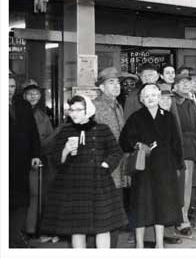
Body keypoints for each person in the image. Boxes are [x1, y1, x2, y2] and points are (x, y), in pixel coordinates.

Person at [41, 95, 127, 248]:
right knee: (77, 229)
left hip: (98, 182)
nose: (74, 113)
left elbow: (116, 152)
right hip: (73, 184)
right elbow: (55, 159)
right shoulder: (65, 130)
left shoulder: (102, 129)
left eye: (78, 110)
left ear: (88, 110)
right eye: (71, 110)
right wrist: (65, 150)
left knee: (102, 227)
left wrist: (106, 165)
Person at [119, 84, 183, 248]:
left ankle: (159, 244)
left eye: (153, 95)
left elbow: (176, 142)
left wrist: (178, 165)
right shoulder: (136, 117)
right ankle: (139, 245)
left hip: (164, 167)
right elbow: (125, 140)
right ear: (141, 100)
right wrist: (138, 144)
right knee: (141, 206)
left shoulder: (168, 116)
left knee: (161, 205)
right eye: (146, 96)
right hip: (143, 168)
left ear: (159, 96)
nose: (150, 98)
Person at [93, 67, 129, 247]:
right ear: (101, 87)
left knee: (114, 215)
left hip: (118, 168)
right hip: (104, 169)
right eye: (111, 82)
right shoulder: (95, 106)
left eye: (118, 82)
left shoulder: (118, 106)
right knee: (102, 217)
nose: (116, 86)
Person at [9, 75, 41, 248]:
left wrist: (36, 154)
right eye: (6, 86)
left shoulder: (23, 105)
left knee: (22, 200)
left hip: (22, 160)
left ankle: (15, 236)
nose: (9, 89)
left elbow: (33, 132)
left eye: (12, 86)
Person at [21, 83, 56, 239]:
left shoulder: (42, 114)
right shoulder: (21, 112)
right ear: (23, 96)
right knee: (30, 195)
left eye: (36, 93)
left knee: (37, 195)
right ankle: (27, 230)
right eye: (29, 94)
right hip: (25, 159)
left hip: (40, 159)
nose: (33, 96)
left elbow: (48, 136)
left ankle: (33, 229)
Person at [170, 73, 196, 237]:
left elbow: (194, 126)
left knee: (187, 185)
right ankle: (179, 219)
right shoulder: (172, 101)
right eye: (182, 83)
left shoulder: (190, 102)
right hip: (177, 147)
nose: (186, 85)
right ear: (174, 86)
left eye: (188, 83)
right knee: (179, 184)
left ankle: (183, 218)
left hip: (190, 147)